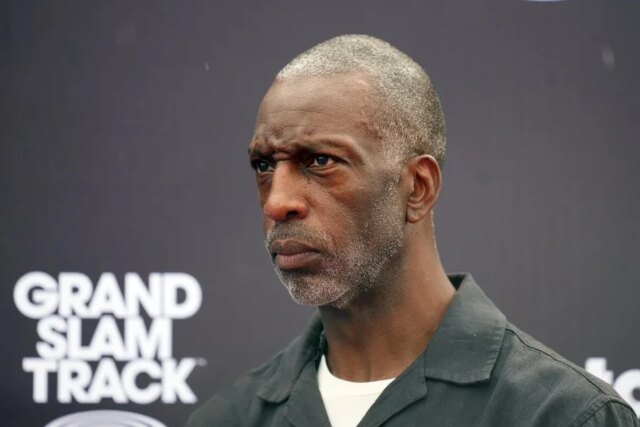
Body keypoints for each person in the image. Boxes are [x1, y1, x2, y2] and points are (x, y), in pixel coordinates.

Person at [186, 34, 637, 427]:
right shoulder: (227, 419)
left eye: (321, 161)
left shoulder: (563, 416)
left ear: (418, 187)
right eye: (264, 165)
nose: (276, 201)